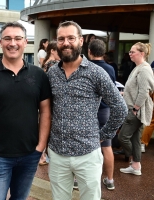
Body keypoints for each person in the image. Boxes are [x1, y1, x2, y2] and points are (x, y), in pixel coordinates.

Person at [47, 21, 127, 200]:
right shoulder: (52, 73)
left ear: (81, 41)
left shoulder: (95, 72)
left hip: (88, 154)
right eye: (61, 39)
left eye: (71, 38)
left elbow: (120, 107)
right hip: (57, 153)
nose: (66, 43)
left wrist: (104, 134)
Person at [0, 21, 51, 199]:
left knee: (19, 198)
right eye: (7, 38)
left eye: (18, 38)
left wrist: (41, 145)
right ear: (1, 42)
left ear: (25, 42)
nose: (12, 43)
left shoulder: (38, 75)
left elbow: (46, 111)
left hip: (30, 153)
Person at [118, 42, 154, 176]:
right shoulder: (138, 67)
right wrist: (124, 94)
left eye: (133, 52)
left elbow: (145, 91)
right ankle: (136, 166)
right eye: (130, 51)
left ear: (142, 54)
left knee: (123, 137)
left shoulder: (144, 69)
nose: (130, 54)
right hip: (135, 108)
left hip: (136, 110)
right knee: (134, 139)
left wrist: (135, 109)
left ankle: (134, 162)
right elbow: (136, 88)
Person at [88, 39, 116, 190]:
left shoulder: (86, 67)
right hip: (105, 110)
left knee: (84, 146)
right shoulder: (110, 69)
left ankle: (77, 181)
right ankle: (110, 180)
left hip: (89, 111)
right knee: (107, 147)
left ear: (89, 52)